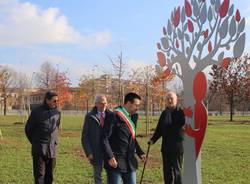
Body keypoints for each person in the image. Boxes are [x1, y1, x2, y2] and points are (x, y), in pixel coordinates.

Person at [103, 92, 146, 184]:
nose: (137, 108)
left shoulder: (132, 117)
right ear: (129, 103)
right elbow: (104, 138)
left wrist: (140, 152)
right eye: (136, 105)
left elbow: (132, 138)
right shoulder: (114, 116)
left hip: (130, 162)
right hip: (115, 162)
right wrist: (110, 157)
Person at [148, 91, 185, 184]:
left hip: (177, 148)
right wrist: (153, 140)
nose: (169, 100)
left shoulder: (181, 112)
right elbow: (159, 129)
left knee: (177, 172)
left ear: (176, 100)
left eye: (171, 98)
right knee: (167, 172)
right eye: (167, 99)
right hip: (166, 148)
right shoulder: (164, 113)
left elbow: (186, 124)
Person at [25, 91, 61, 184]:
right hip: (39, 150)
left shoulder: (57, 113)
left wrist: (55, 142)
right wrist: (36, 142)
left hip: (52, 150)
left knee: (49, 176)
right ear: (47, 100)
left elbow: (56, 128)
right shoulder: (36, 112)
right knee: (40, 177)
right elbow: (28, 129)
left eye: (57, 101)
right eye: (54, 101)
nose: (56, 103)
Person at [81, 95, 113, 184]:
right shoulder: (89, 116)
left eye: (105, 103)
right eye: (101, 103)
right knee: (97, 175)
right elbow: (85, 136)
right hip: (95, 151)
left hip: (109, 151)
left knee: (111, 175)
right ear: (96, 104)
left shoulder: (111, 115)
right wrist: (88, 152)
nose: (104, 105)